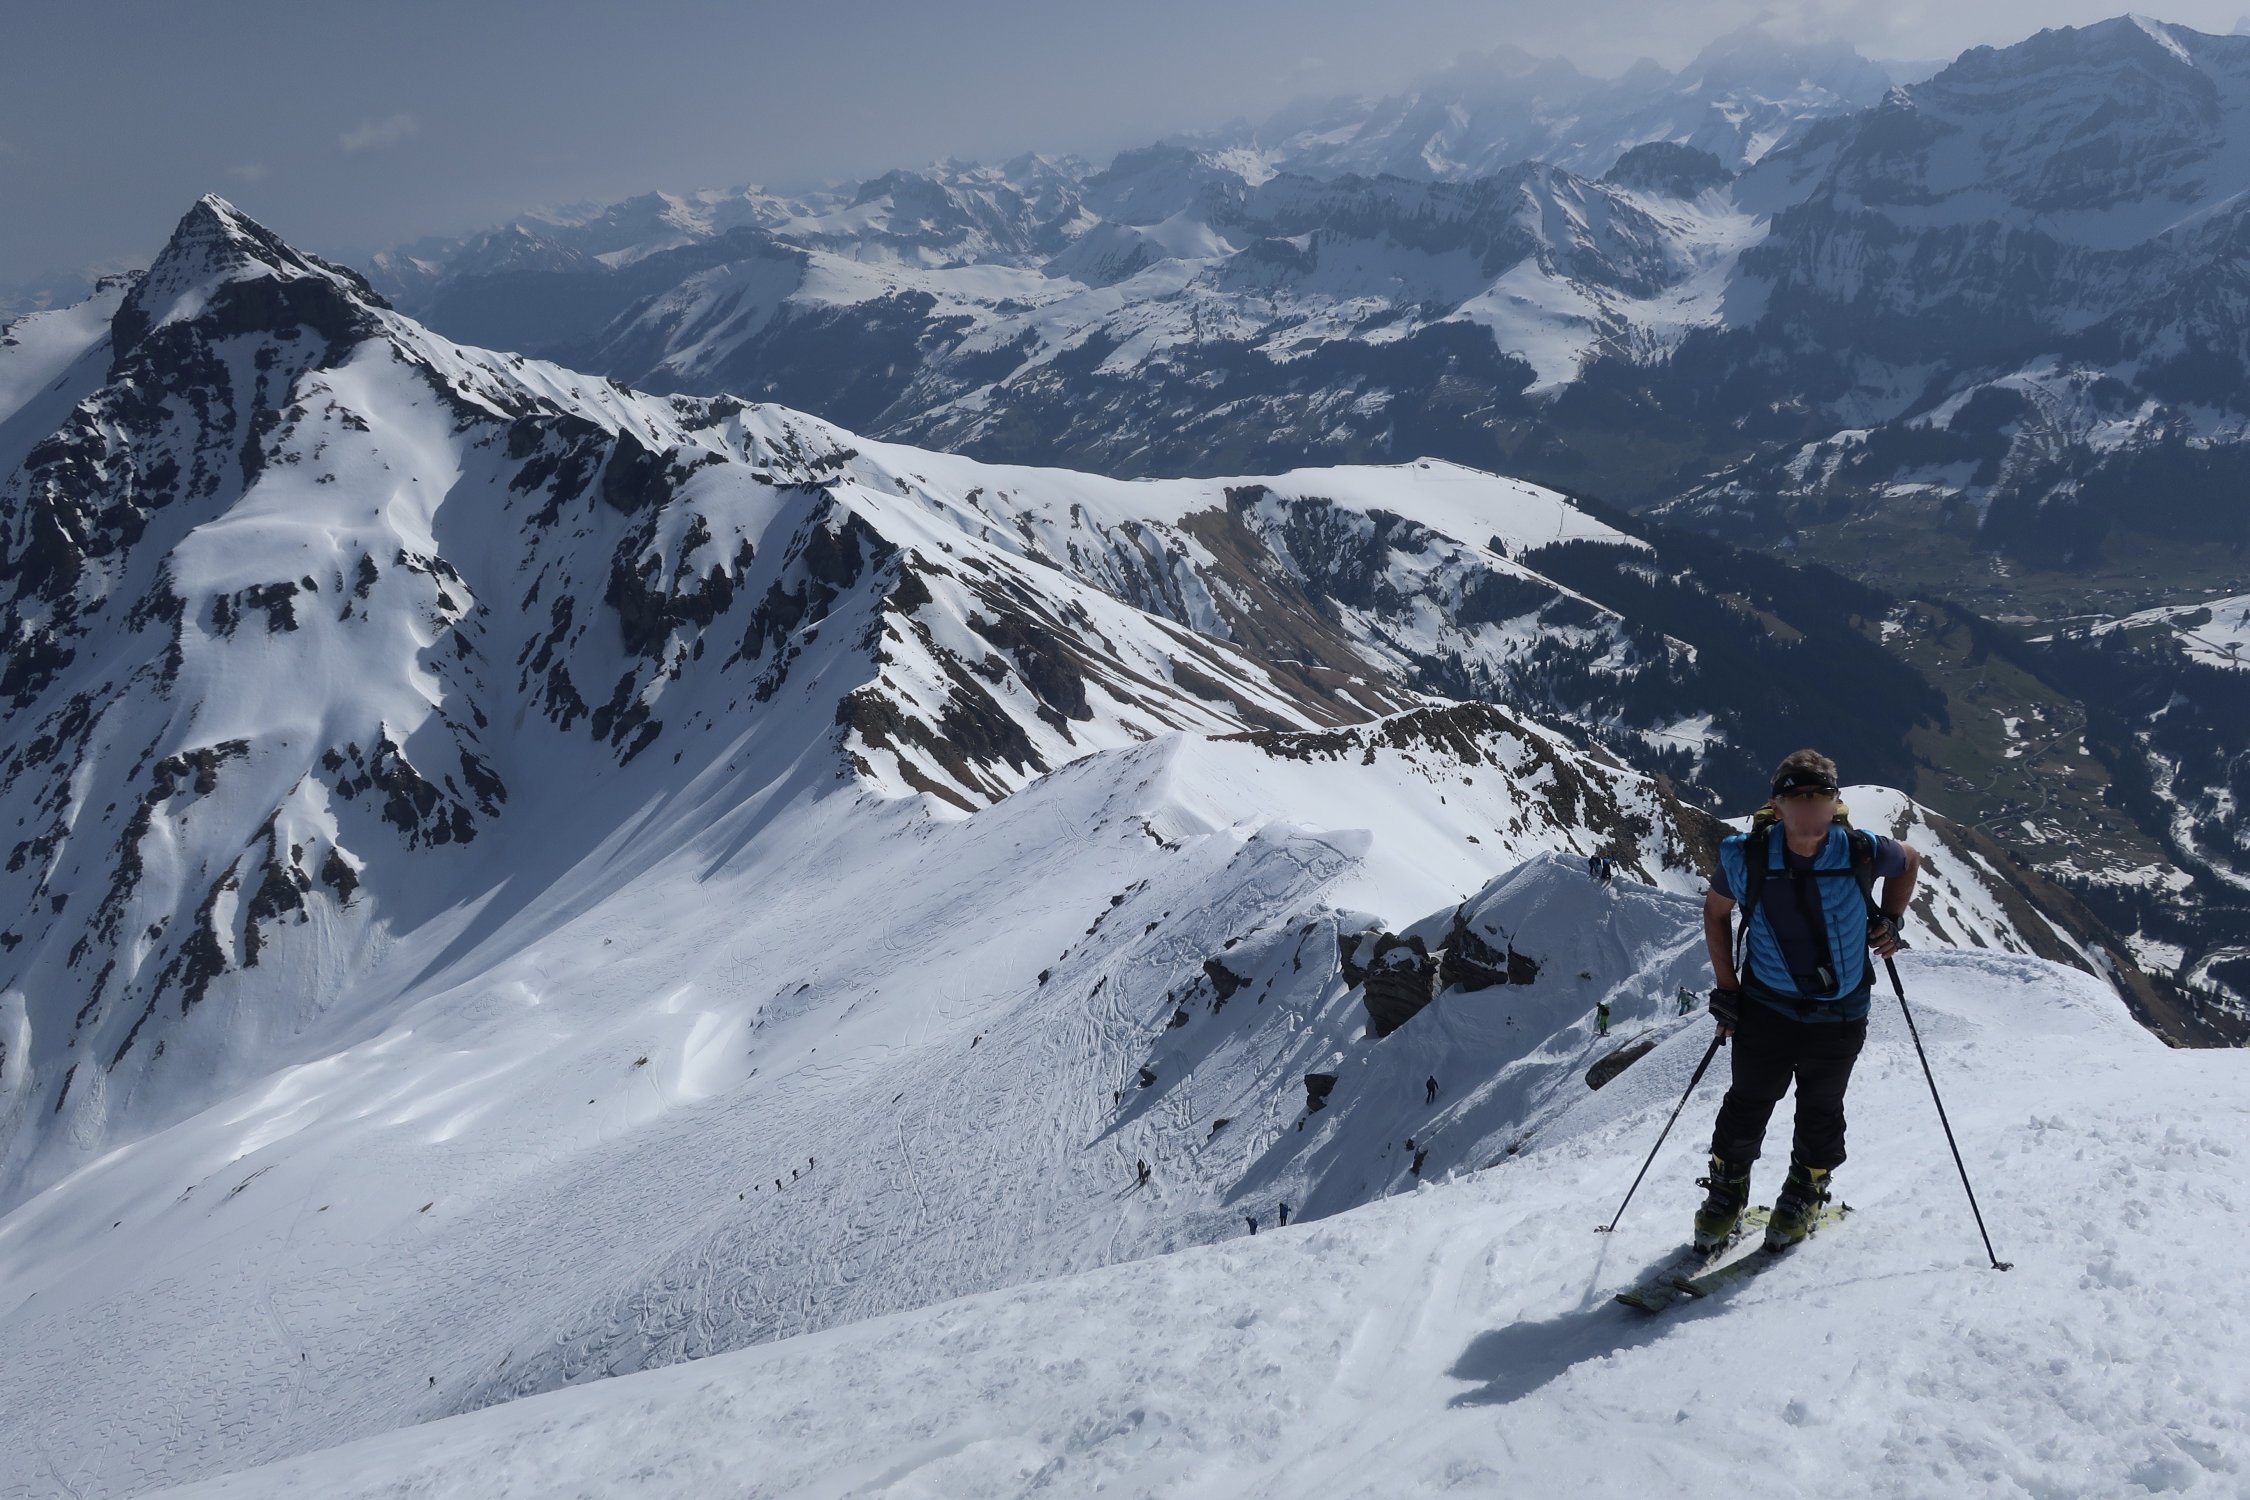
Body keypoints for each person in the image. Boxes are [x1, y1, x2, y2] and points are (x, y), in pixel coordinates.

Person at [1695, 750, 1919, 1253]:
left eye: (1819, 794)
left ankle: (1801, 1191)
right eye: (1796, 795)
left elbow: (1909, 859)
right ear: (1776, 805)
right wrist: (1727, 989)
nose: (1808, 804)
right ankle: (1728, 1192)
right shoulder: (1745, 855)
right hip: (1767, 1006)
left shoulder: (1860, 850)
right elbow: (1715, 913)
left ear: (1835, 801)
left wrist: (1891, 919)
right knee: (1749, 1102)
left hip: (1839, 1011)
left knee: (1820, 1107)